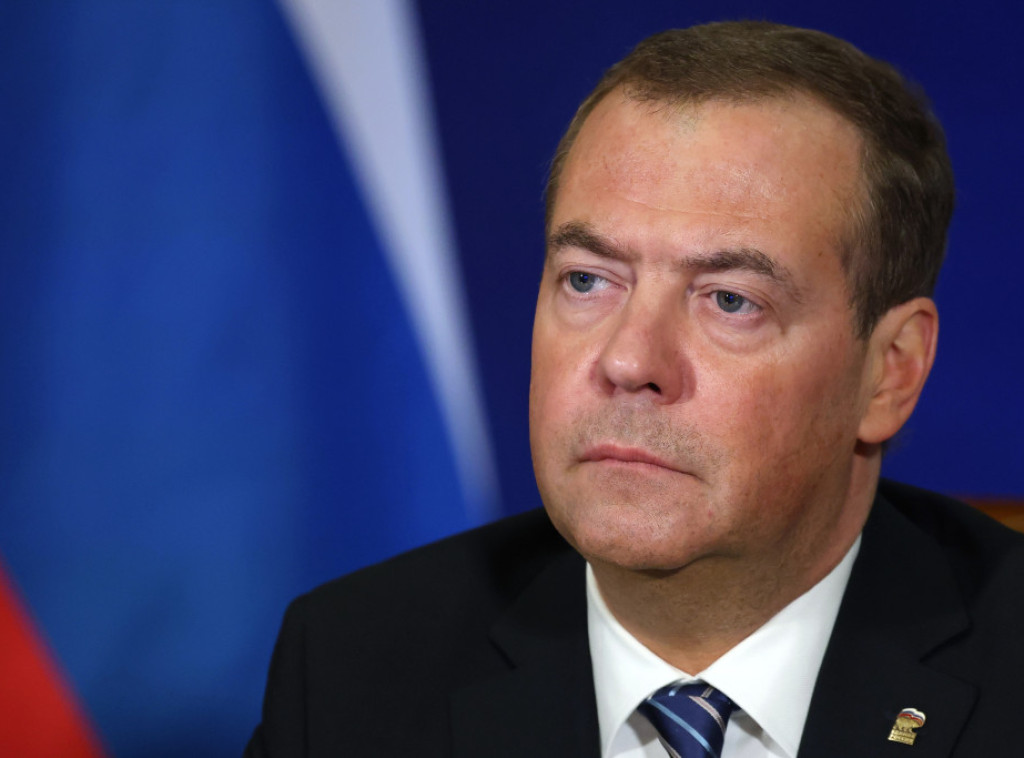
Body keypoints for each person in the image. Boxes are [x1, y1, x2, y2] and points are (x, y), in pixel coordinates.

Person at [245, 20, 1024, 758]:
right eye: (588, 280)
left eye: (730, 300)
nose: (627, 360)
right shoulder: (355, 670)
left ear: (889, 371)